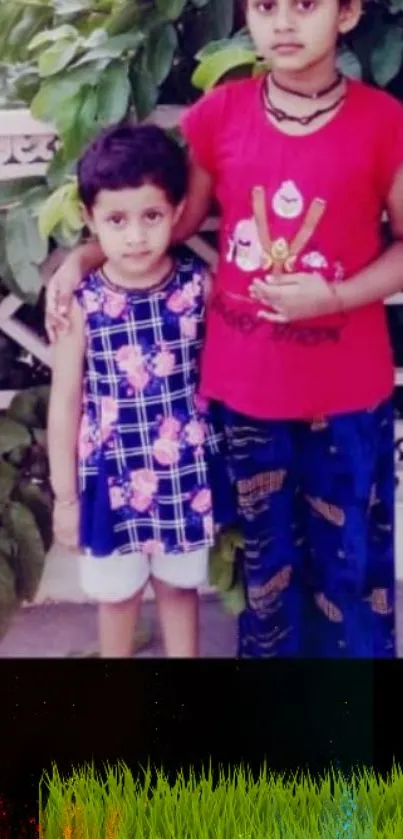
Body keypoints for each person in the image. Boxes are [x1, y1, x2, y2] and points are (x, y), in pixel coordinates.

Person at [46, 0, 403, 658]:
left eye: (305, 6)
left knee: (351, 567)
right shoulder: (220, 115)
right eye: (266, 7)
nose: (284, 24)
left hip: (348, 389)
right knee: (267, 572)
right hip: (246, 393)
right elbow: (174, 223)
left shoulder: (384, 123)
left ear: (348, 14)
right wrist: (82, 257)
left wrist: (336, 295)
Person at [47, 122, 226, 658]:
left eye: (151, 216)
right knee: (117, 596)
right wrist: (64, 499)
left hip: (183, 473)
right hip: (111, 478)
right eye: (117, 220)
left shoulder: (198, 287)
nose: (135, 236)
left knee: (179, 588)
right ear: (90, 219)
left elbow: (222, 374)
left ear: (176, 212)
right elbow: (66, 401)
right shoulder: (84, 302)